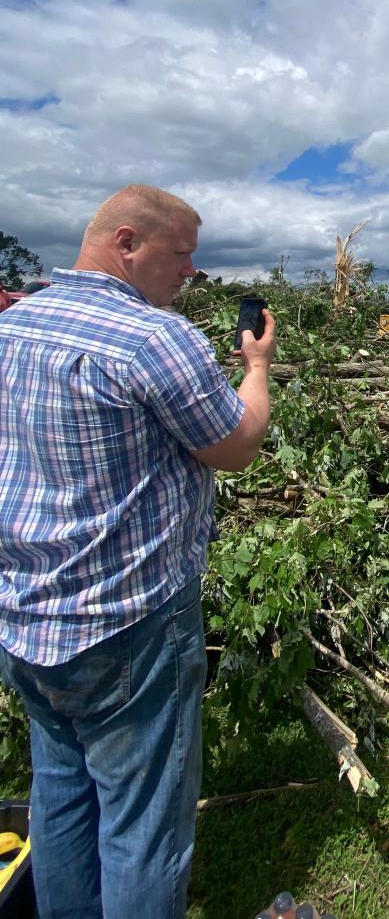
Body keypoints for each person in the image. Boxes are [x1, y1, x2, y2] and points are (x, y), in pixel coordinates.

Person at [0, 185, 276, 919]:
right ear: (128, 243)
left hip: (26, 619)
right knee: (143, 828)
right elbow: (238, 445)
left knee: (61, 798)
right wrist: (257, 367)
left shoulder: (15, 324)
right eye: (181, 253)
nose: (191, 271)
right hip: (128, 626)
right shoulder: (153, 337)